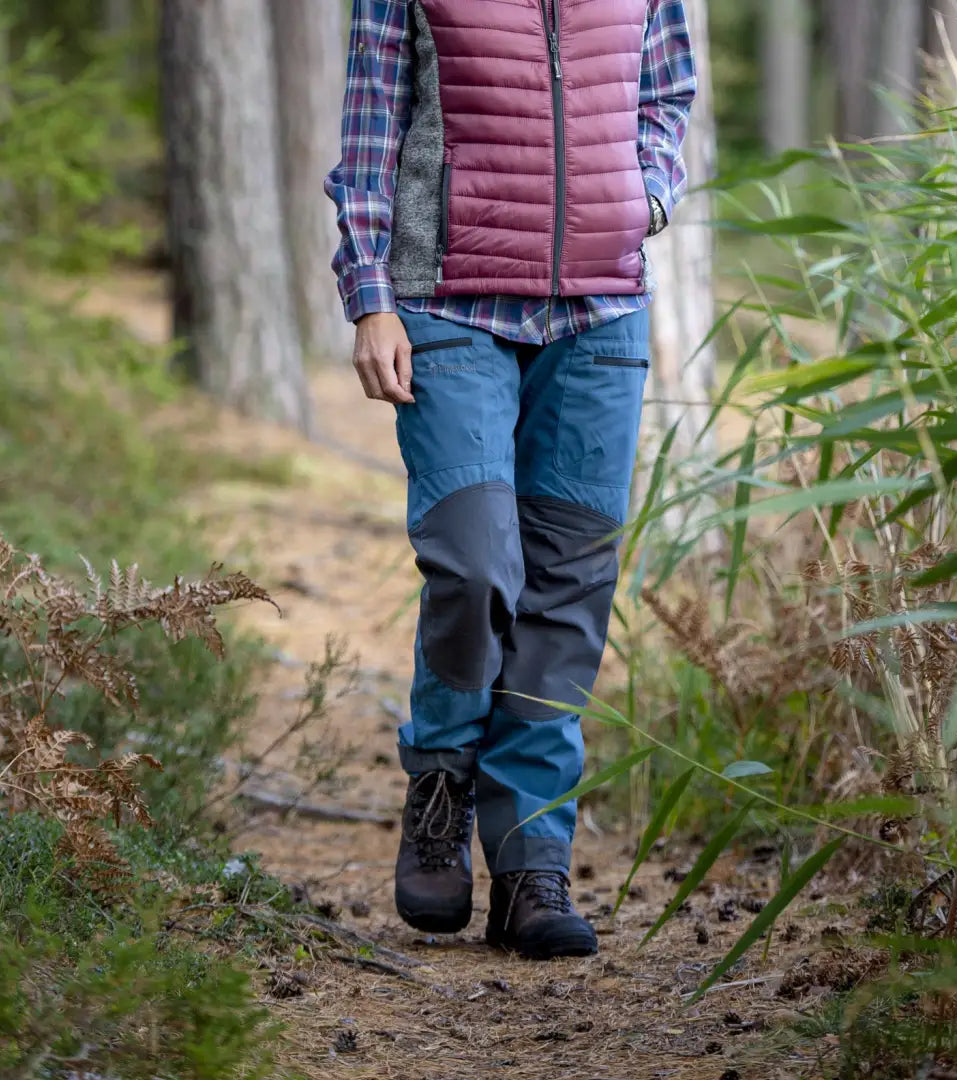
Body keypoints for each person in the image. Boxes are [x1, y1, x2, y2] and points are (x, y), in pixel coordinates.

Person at [326, 0, 695, 960]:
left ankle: (534, 861)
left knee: (569, 589)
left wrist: (643, 197)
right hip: (449, 300)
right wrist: (370, 295)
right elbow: (371, 120)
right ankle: (441, 782)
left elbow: (667, 94)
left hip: (599, 310)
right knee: (476, 561)